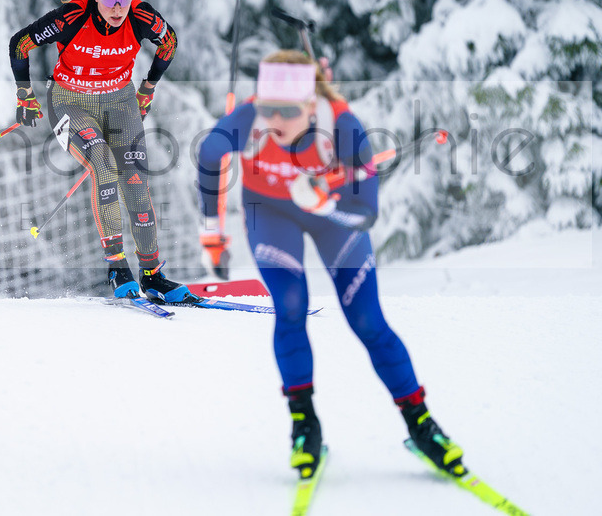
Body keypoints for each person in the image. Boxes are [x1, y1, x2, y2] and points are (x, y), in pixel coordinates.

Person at [195, 50, 464, 479]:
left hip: (333, 219)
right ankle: (306, 426)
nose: (273, 120)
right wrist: (212, 232)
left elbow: (366, 213)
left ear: (310, 104)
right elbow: (210, 156)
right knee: (289, 307)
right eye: (267, 107)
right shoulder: (251, 118)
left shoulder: (343, 126)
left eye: (286, 111)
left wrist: (326, 204)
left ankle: (422, 424)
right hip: (269, 214)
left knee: (367, 321)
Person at [8, 0, 200, 304]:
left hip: (120, 101)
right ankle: (117, 267)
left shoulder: (141, 16)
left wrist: (148, 88)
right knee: (102, 162)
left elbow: (169, 43)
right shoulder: (72, 16)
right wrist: (25, 93)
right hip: (70, 100)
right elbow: (21, 43)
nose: (117, 8)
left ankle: (153, 274)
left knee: (135, 178)